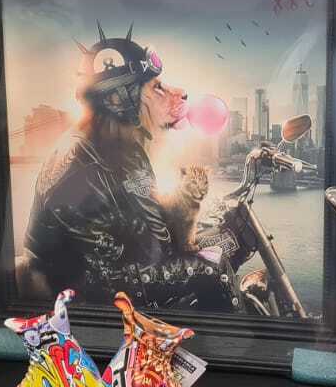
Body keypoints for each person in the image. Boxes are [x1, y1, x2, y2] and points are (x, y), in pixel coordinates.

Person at [19, 26, 230, 309]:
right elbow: (157, 252)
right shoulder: (118, 156)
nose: (178, 93)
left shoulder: (86, 141)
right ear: (117, 99)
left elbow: (140, 220)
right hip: (94, 289)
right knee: (215, 269)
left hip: (65, 275)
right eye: (156, 88)